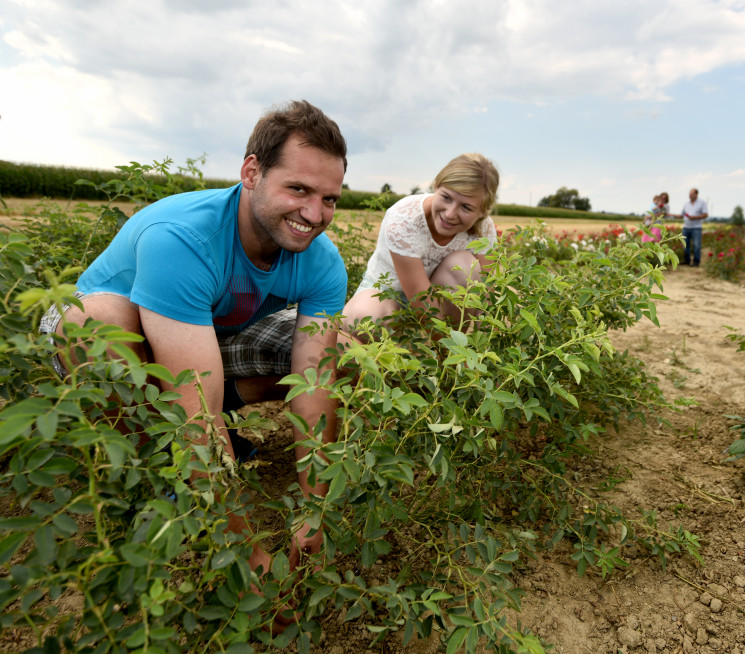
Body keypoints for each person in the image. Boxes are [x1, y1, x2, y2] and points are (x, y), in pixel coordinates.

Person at [39, 99, 348, 580]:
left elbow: (315, 384)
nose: (315, 213)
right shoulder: (183, 237)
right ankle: (158, 466)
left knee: (341, 347)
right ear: (251, 173)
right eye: (299, 189)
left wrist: (314, 514)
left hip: (204, 336)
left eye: (329, 198)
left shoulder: (322, 260)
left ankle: (215, 444)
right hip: (110, 332)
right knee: (98, 323)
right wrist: (247, 550)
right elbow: (194, 409)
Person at [342, 153, 499, 339]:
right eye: (446, 197)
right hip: (388, 293)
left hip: (439, 296)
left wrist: (490, 339)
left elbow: (487, 293)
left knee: (465, 265)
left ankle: (446, 355)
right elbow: (421, 300)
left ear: (482, 211)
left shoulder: (483, 227)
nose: (450, 214)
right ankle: (443, 352)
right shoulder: (404, 219)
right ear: (436, 187)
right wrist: (453, 349)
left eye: (466, 207)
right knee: (364, 319)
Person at [680, 187, 709, 266]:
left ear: (696, 194)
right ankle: (687, 260)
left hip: (696, 227)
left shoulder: (702, 203)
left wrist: (694, 217)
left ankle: (696, 262)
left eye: (692, 194)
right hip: (686, 227)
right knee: (685, 245)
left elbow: (706, 214)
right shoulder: (686, 204)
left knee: (696, 245)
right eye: (689, 194)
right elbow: (681, 214)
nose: (690, 195)